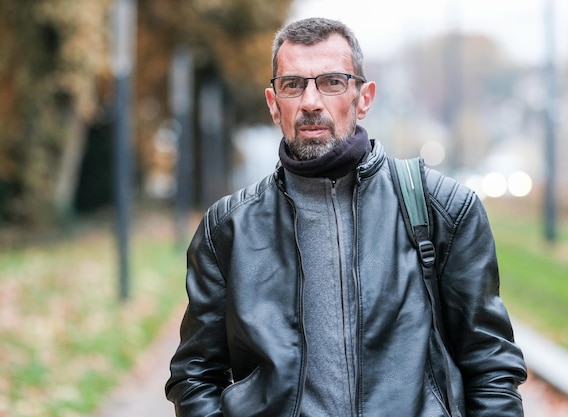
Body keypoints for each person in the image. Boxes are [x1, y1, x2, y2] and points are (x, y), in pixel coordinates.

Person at [165, 16, 527, 417]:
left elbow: (491, 367)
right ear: (273, 104)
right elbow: (195, 374)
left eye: (332, 82)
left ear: (364, 98)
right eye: (293, 85)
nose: (311, 102)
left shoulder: (442, 209)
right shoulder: (227, 230)